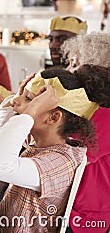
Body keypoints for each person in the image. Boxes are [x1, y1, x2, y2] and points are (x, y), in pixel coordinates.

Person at [0, 65, 110, 232]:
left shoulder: (61, 162)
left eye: (29, 99)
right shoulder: (45, 140)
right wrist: (24, 98)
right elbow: (2, 126)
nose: (15, 101)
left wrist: (31, 111)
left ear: (54, 117)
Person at [60, 32, 110, 232]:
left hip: (87, 213)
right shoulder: (88, 106)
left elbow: (64, 153)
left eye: (74, 64)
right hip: (73, 206)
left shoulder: (104, 115)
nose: (67, 69)